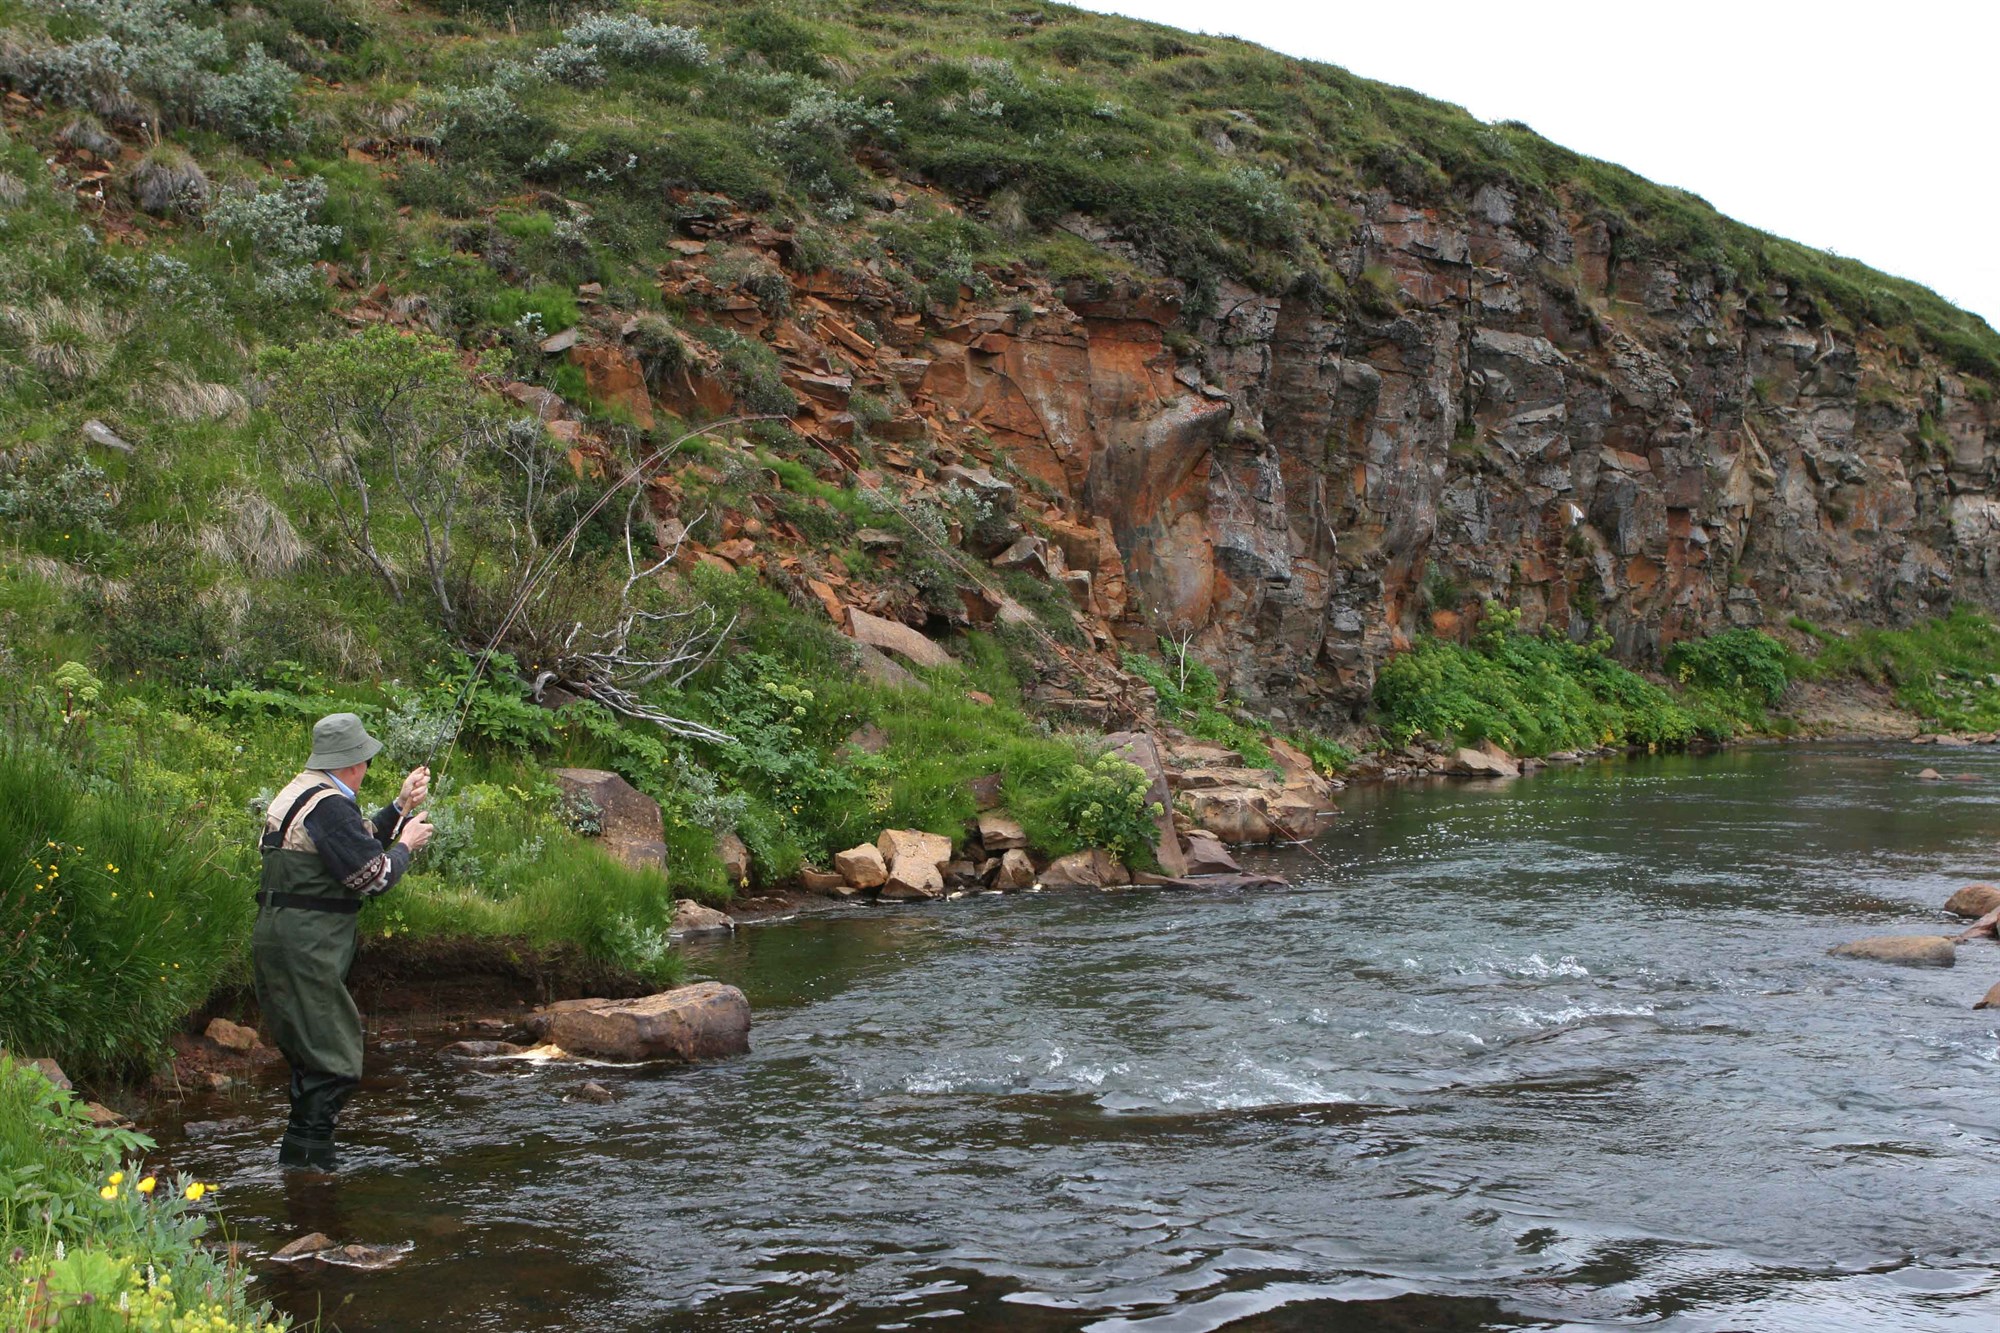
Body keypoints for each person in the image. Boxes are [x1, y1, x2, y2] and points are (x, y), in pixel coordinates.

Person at [254, 712, 433, 1171]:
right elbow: (372, 875)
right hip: (306, 945)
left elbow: (350, 844)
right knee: (334, 1065)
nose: (367, 766)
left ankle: (300, 1170)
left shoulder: (303, 792)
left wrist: (398, 807)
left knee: (312, 1059)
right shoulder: (330, 805)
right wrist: (407, 844)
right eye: (366, 759)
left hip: (283, 938)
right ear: (354, 761)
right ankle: (310, 1171)